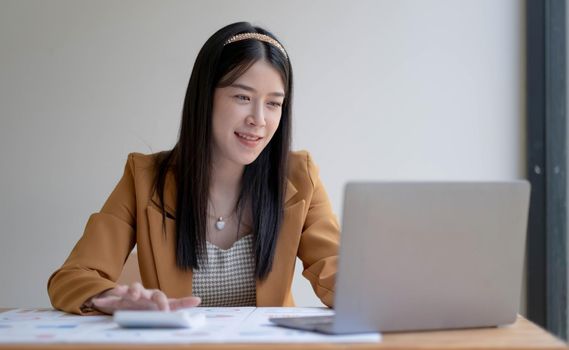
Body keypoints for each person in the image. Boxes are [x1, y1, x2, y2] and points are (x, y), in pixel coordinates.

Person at [47, 21, 340, 315]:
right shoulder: (144, 178)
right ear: (205, 97)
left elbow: (340, 275)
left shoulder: (300, 177)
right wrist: (111, 297)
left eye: (274, 104)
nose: (259, 119)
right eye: (242, 97)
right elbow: (72, 277)